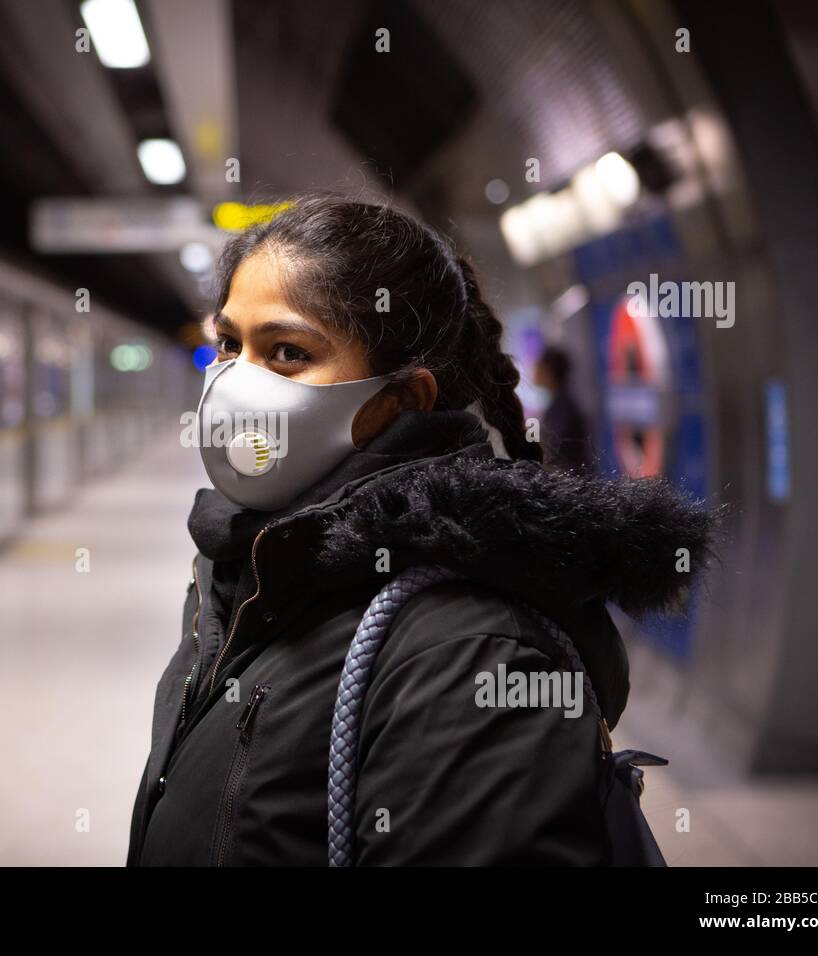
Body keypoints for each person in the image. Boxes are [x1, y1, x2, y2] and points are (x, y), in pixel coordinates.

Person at [127, 194, 714, 866]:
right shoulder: (243, 571)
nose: (234, 385)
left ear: (401, 400)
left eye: (288, 351)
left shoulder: (469, 657)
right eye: (229, 343)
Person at [533, 344, 595, 475]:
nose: (534, 372)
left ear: (548, 371)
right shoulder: (561, 403)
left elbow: (554, 448)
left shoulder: (562, 408)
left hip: (573, 484)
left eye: (538, 367)